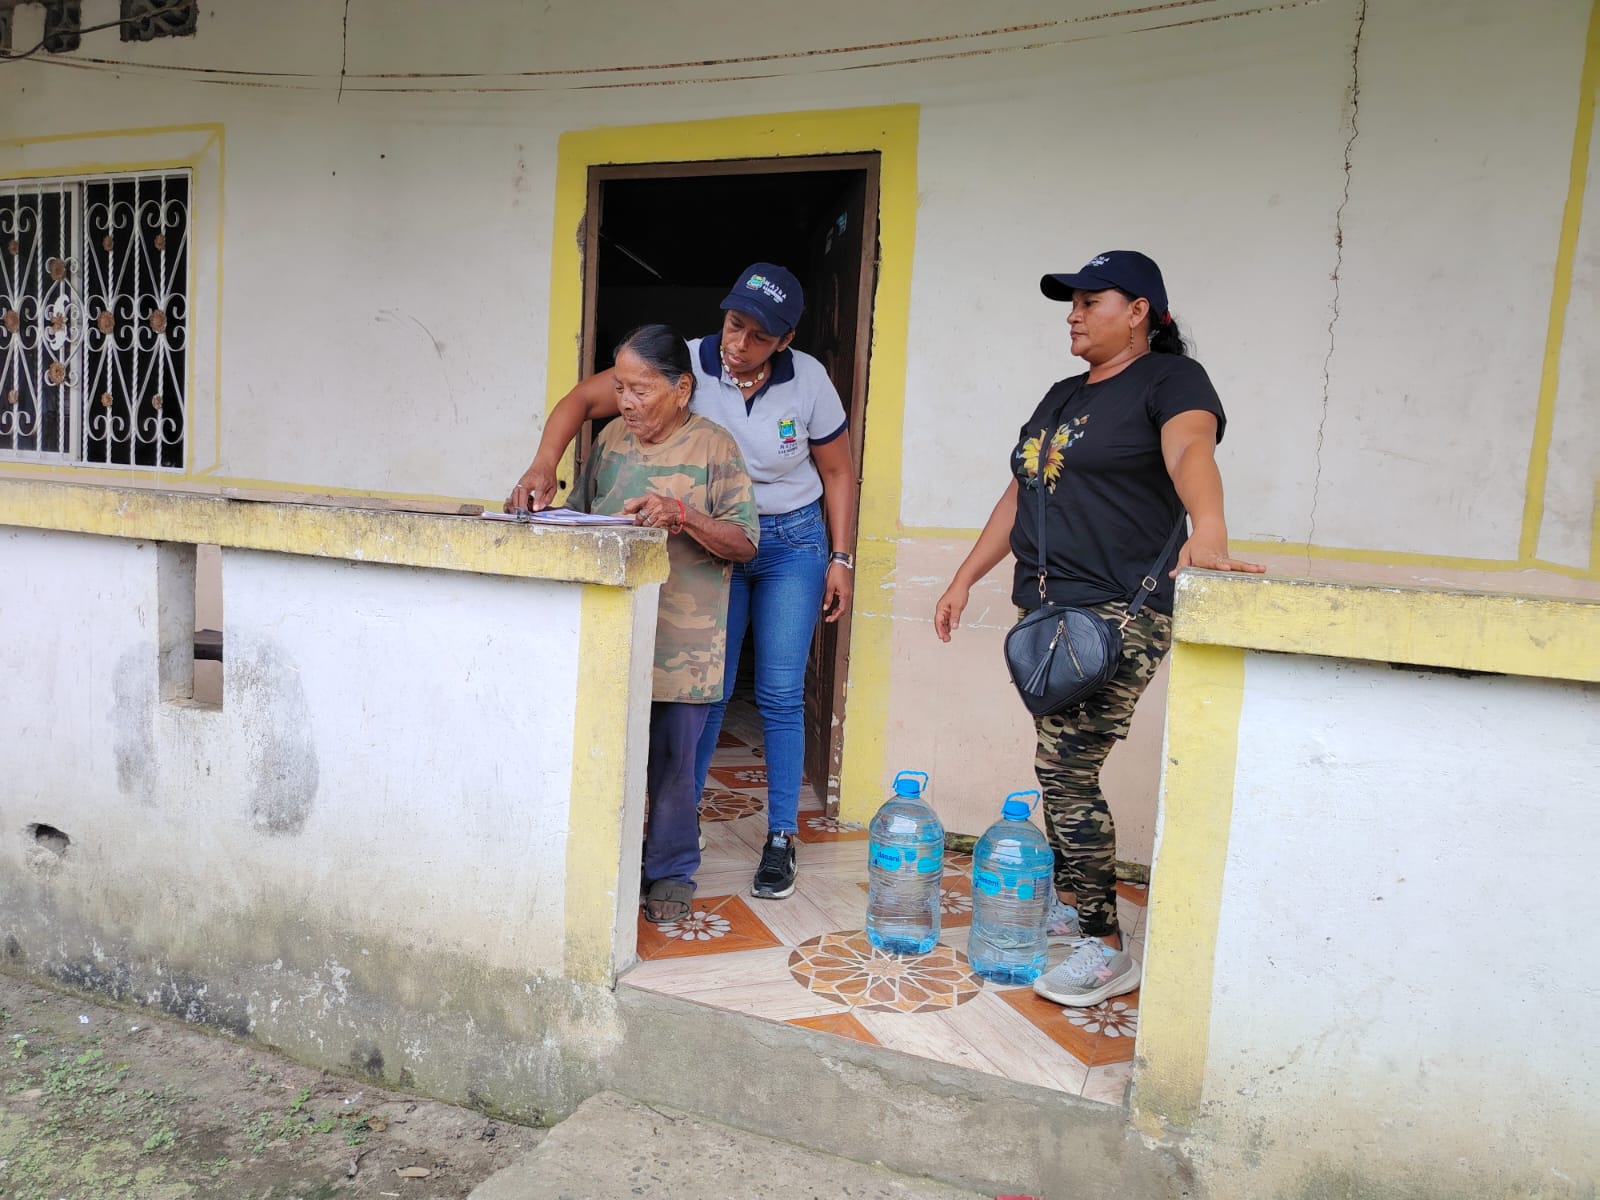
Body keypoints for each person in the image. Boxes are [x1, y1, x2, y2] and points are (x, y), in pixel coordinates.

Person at [933, 251, 1263, 1007]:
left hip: (1122, 610)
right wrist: (964, 577)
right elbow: (1022, 493)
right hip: (1052, 613)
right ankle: (1076, 904)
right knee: (1063, 764)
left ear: (1139, 310)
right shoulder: (1060, 396)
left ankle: (1104, 944)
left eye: (1090, 301)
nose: (1074, 315)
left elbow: (1191, 448)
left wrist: (1209, 527)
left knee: (1065, 769)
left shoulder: (1171, 381)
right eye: (1070, 303)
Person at [507, 264, 858, 903]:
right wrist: (542, 465)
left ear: (785, 340)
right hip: (705, 540)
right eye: (734, 324)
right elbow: (582, 402)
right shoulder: (682, 363)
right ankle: (678, 835)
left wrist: (841, 557)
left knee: (780, 691)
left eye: (758, 336)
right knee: (709, 689)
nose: (738, 343)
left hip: (789, 539)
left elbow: (836, 471)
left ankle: (781, 835)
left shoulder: (807, 381)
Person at [571, 324, 759, 924]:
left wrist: (682, 514)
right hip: (613, 636)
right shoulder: (609, 441)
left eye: (641, 389)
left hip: (686, 642)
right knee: (606, 756)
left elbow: (745, 542)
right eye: (620, 389)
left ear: (681, 389)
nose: (626, 402)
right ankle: (609, 861)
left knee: (674, 765)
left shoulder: (715, 448)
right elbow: (578, 517)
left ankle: (671, 872)